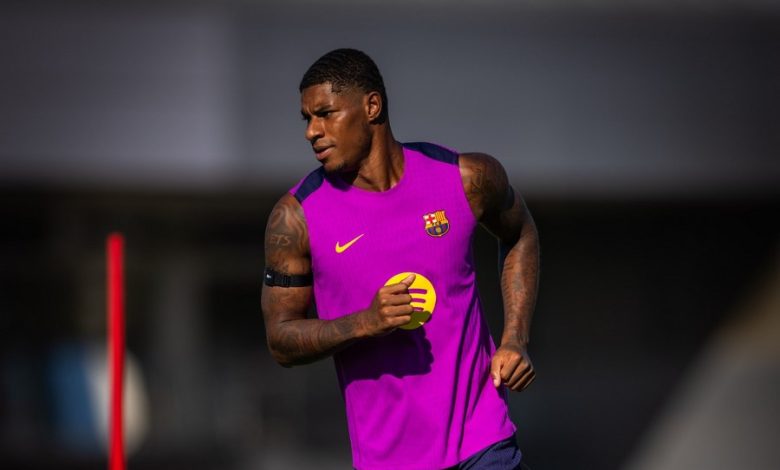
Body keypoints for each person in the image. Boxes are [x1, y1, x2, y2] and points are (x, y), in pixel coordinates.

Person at [261, 48, 539, 470]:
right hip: (388, 458)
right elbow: (281, 340)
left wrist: (515, 338)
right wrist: (364, 322)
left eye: (325, 114)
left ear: (372, 106)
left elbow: (520, 234)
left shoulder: (466, 178)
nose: (312, 132)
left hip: (484, 442)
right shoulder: (295, 218)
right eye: (307, 119)